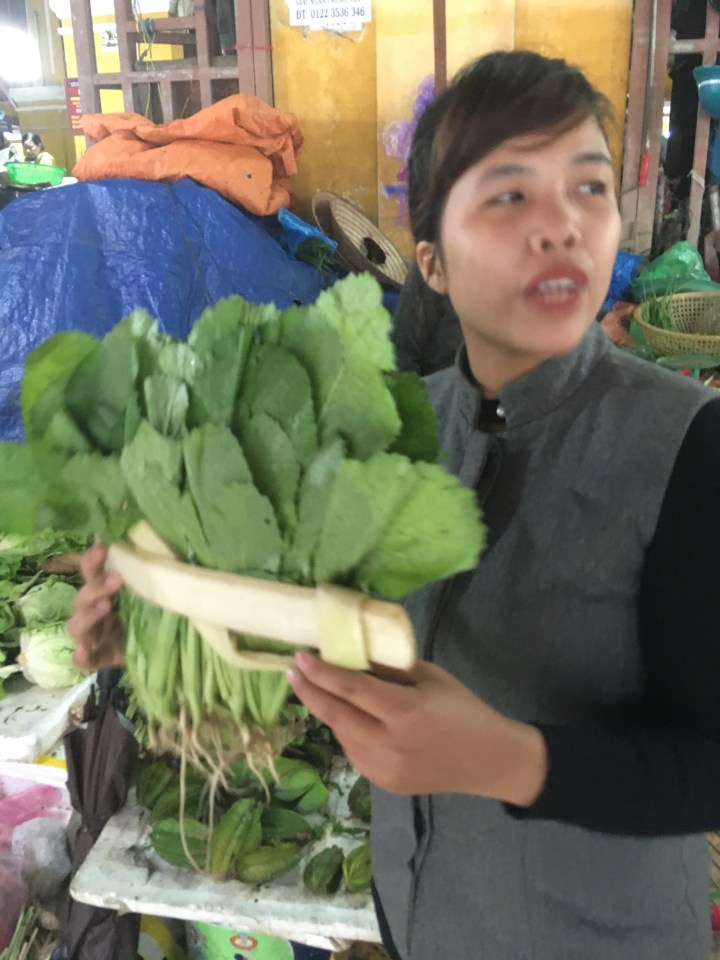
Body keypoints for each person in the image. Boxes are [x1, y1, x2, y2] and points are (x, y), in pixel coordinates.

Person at [70, 51, 720, 960]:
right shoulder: (393, 431)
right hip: (422, 917)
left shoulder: (687, 445)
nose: (563, 228)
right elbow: (332, 637)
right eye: (509, 195)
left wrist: (505, 758)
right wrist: (154, 631)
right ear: (432, 265)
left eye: (589, 188)